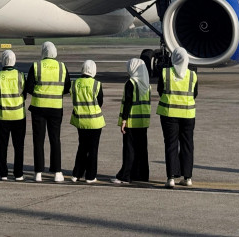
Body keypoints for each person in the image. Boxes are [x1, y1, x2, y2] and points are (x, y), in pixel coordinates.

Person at [24, 41, 71, 182]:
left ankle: (38, 172)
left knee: (38, 140)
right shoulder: (62, 67)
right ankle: (57, 172)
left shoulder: (36, 66)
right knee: (55, 139)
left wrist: (40, 93)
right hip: (56, 107)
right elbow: (67, 87)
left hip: (38, 107)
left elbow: (29, 87)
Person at [157, 46, 198, 189]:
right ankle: (187, 177)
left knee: (171, 145)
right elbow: (195, 93)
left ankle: (171, 178)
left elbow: (160, 90)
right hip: (188, 115)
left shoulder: (166, 73)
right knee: (187, 145)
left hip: (169, 114)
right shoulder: (192, 75)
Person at [112, 57, 150, 185]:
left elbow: (128, 102)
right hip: (143, 121)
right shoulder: (146, 84)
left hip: (132, 121)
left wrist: (124, 120)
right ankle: (142, 174)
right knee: (142, 149)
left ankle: (125, 176)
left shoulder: (131, 83)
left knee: (129, 149)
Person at [0, 49, 26, 181]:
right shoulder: (20, 75)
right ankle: (18, 173)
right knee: (19, 146)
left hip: (2, 115)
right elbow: (24, 92)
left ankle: (3, 173)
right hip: (18, 115)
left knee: (2, 145)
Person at [69, 60, 105, 183]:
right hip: (95, 121)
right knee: (93, 150)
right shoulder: (96, 84)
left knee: (82, 148)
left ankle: (76, 174)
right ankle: (90, 176)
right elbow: (100, 102)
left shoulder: (74, 84)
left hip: (80, 121)